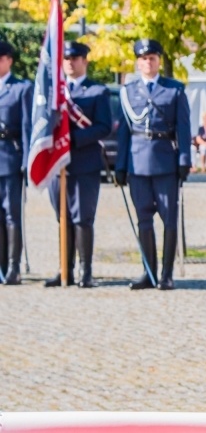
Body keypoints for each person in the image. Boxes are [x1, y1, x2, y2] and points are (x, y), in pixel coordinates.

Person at [115, 39, 192, 291]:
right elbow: (125, 131)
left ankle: (166, 275)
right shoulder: (128, 91)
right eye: (143, 58)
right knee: (144, 220)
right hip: (137, 163)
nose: (148, 62)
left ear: (158, 61)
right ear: (137, 62)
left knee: (170, 220)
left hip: (165, 163)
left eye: (152, 58)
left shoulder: (174, 90)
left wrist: (184, 160)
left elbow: (183, 127)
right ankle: (148, 272)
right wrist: (121, 165)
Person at [43, 42, 112, 288]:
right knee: (63, 218)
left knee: (82, 218)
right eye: (67, 59)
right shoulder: (54, 93)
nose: (71, 62)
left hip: (84, 164)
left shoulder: (97, 91)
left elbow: (104, 126)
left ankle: (86, 271)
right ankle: (65, 270)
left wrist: (70, 140)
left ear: (85, 61)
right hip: (57, 165)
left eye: (76, 58)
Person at [0, 41, 32, 285]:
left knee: (12, 215)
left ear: (9, 60)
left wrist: (26, 160)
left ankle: (13, 266)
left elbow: (26, 127)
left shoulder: (21, 88)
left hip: (11, 157)